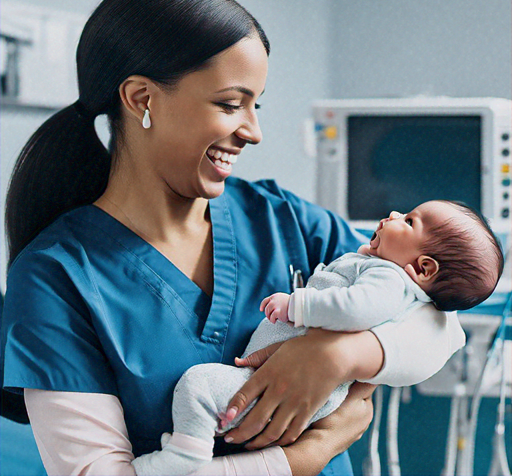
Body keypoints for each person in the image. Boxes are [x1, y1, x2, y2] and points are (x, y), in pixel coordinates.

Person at [0, 0, 466, 476]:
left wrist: (346, 355)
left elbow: (442, 321)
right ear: (141, 98)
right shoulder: (57, 278)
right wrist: (299, 459)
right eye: (230, 103)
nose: (254, 132)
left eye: (256, 105)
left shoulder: (286, 221)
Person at [131, 200, 503, 475]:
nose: (392, 215)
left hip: (296, 395)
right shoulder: (373, 262)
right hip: (300, 417)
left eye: (408, 221)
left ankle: (184, 458)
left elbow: (437, 328)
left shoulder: (387, 276)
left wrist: (316, 326)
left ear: (423, 268)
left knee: (197, 386)